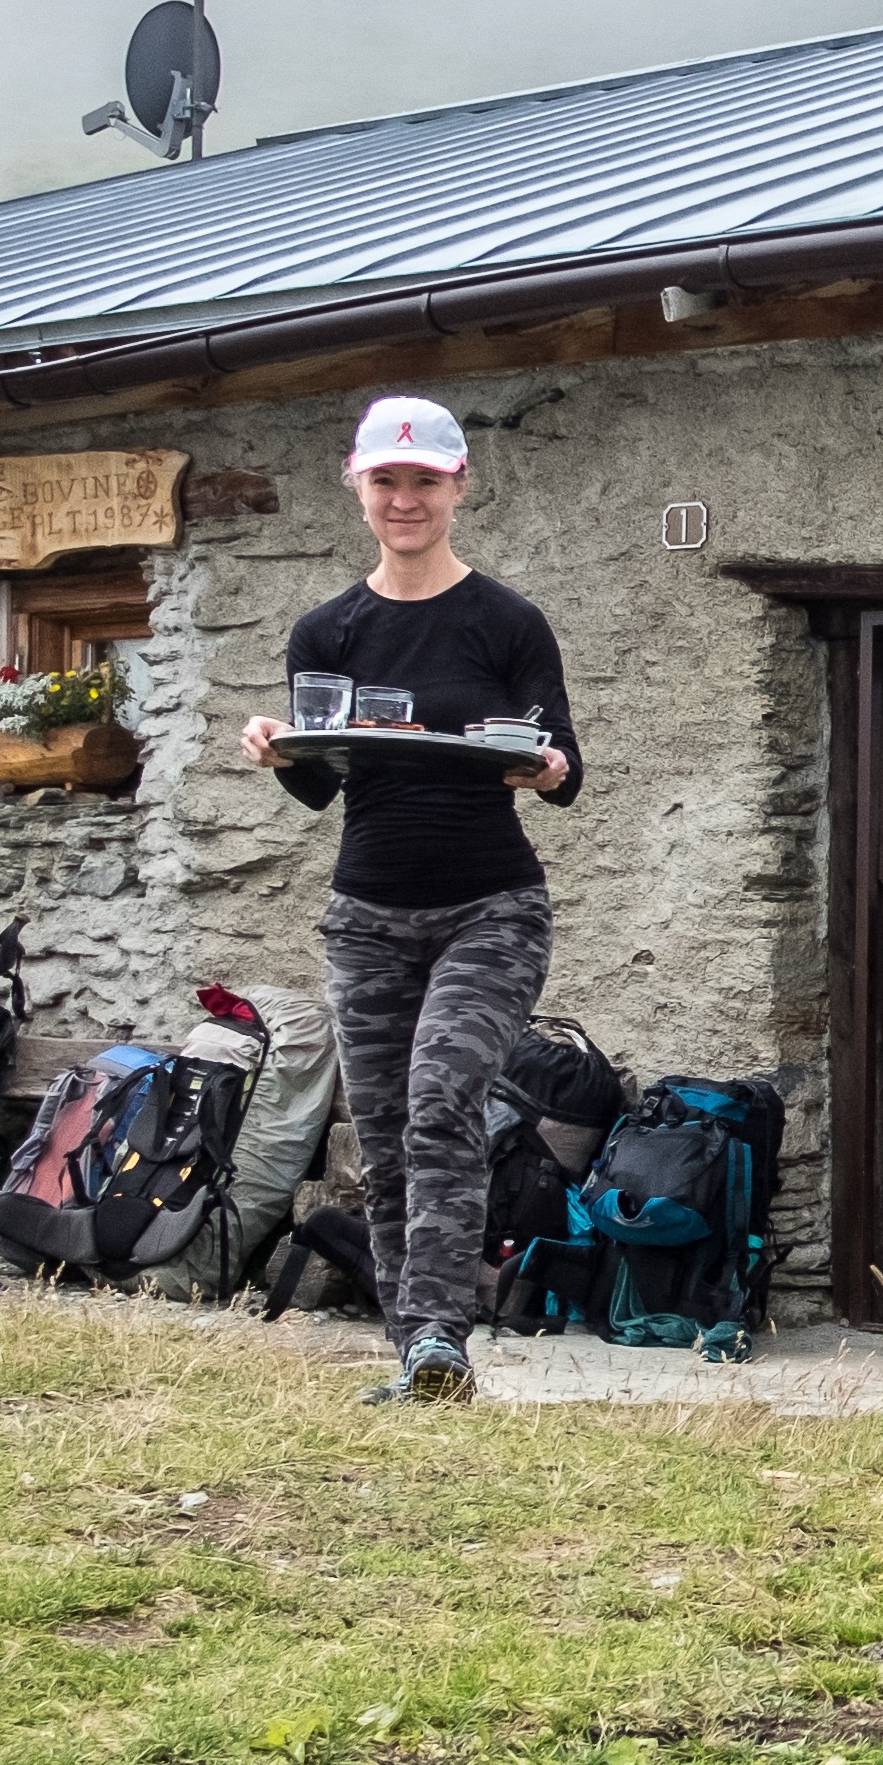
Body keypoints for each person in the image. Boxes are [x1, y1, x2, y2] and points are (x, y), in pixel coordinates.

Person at [236, 394, 579, 1402]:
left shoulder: (507, 622)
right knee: (384, 1138)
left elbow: (564, 765)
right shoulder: (327, 629)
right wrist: (277, 753)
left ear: (458, 486)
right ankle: (416, 1356)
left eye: (423, 480)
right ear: (357, 486)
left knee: (440, 1104)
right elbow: (322, 784)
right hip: (366, 919)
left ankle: (439, 1337)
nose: (404, 499)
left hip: (492, 910)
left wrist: (548, 768)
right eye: (385, 480)